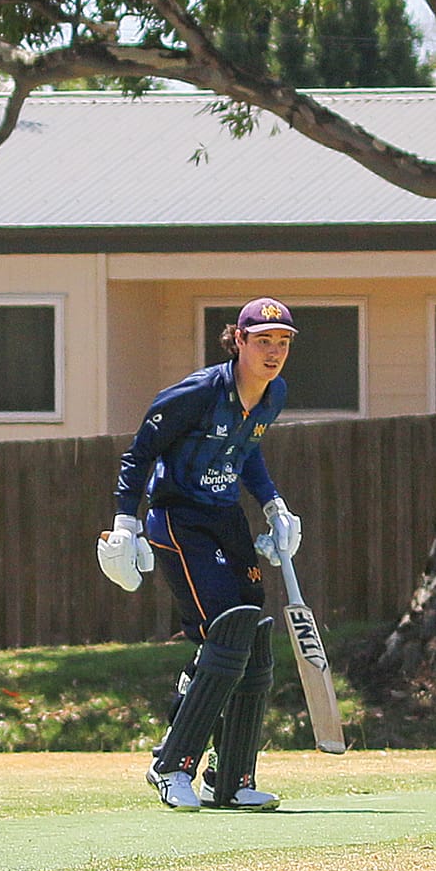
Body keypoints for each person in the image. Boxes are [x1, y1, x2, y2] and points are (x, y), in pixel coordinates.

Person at [99, 297, 306, 811]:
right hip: (177, 518)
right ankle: (172, 766)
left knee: (254, 638)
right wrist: (125, 520)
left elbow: (247, 450)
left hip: (226, 518)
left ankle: (230, 779)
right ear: (237, 340)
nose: (273, 352)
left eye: (282, 342)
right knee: (228, 629)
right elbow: (138, 454)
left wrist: (274, 505)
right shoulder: (196, 393)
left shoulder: (272, 393)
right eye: (262, 341)